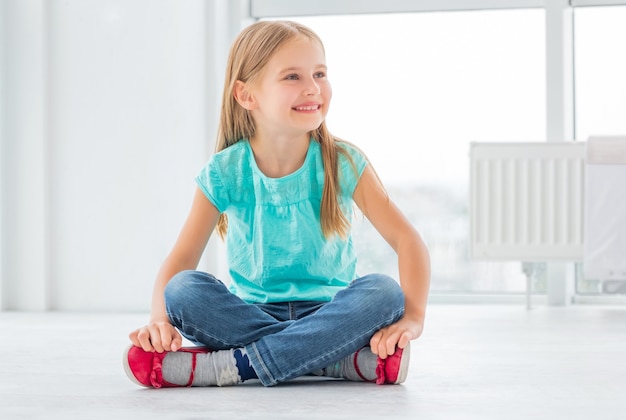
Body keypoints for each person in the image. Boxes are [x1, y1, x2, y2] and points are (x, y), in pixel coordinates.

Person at [123, 20, 430, 388]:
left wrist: (413, 316)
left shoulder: (343, 162)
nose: (313, 88)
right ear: (247, 95)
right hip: (250, 313)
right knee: (182, 289)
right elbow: (180, 261)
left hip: (332, 311)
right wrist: (159, 319)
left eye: (319, 73)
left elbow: (408, 241)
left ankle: (238, 366)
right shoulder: (225, 171)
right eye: (292, 77)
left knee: (383, 292)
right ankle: (331, 360)